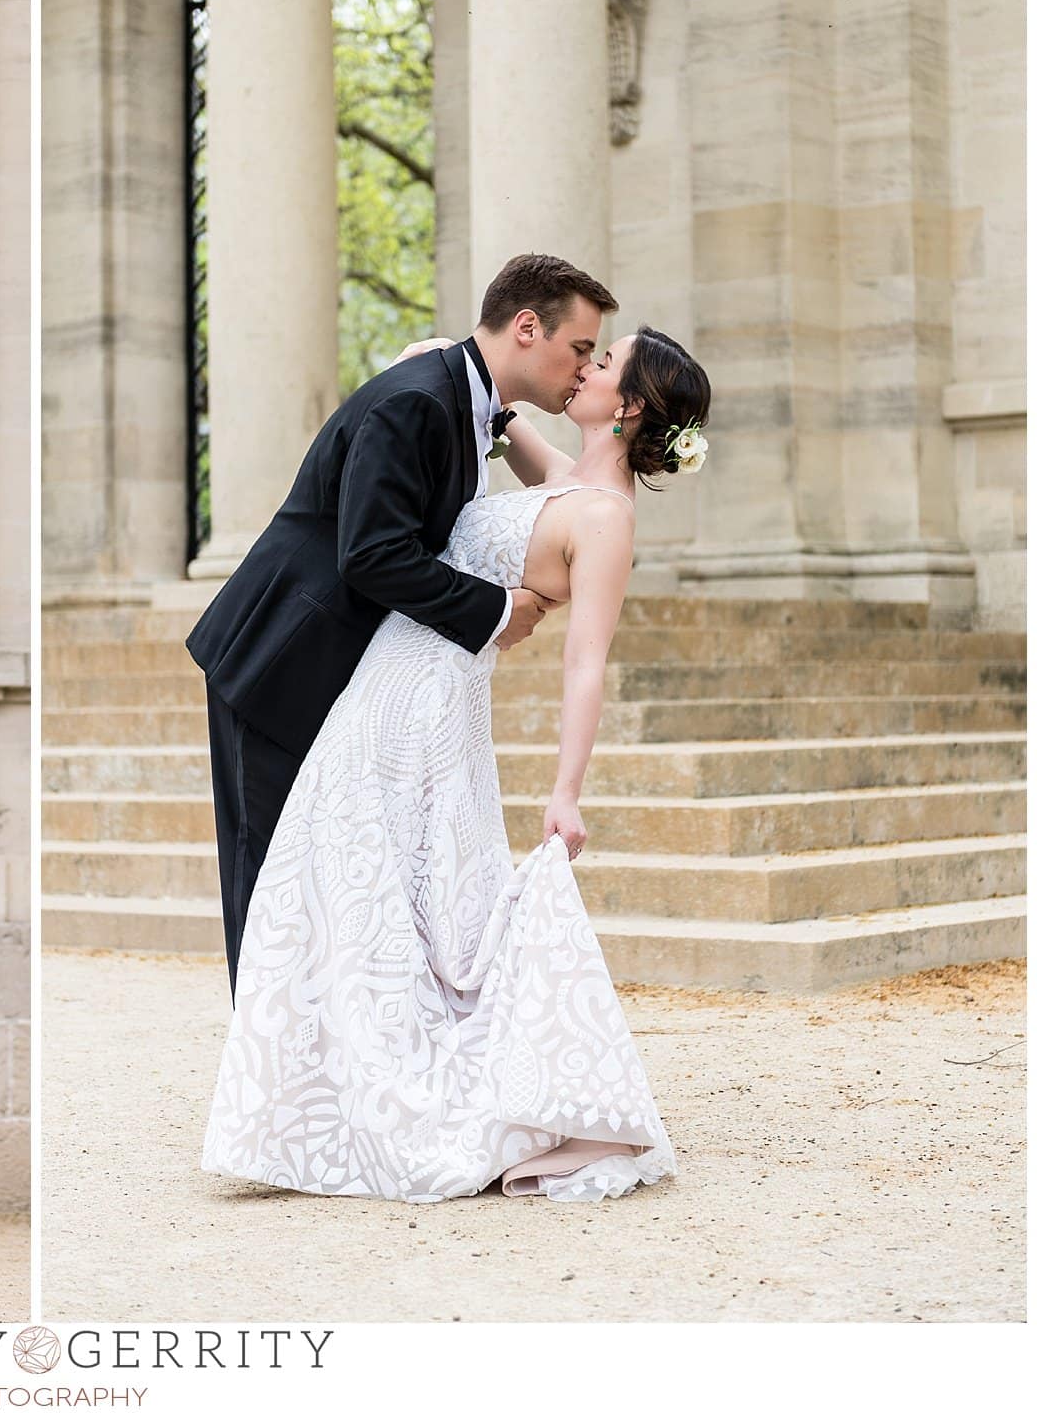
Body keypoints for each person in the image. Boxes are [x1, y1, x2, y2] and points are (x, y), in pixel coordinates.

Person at [200, 322, 711, 1202]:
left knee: (406, 894)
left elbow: (585, 659)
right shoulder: (562, 480)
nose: (585, 367)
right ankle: (324, 1091)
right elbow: (493, 403)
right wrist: (437, 360)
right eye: (585, 350)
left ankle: (394, 1097)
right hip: (381, 684)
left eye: (604, 362)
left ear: (627, 407)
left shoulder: (605, 519)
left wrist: (566, 790)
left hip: (434, 708)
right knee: (348, 884)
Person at [187, 253, 617, 995]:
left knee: (322, 881)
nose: (583, 368)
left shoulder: (462, 398)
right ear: (526, 328)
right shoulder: (419, 399)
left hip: (352, 674)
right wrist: (497, 610)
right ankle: (264, 1092)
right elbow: (373, 553)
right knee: (270, 883)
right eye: (580, 347)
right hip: (281, 663)